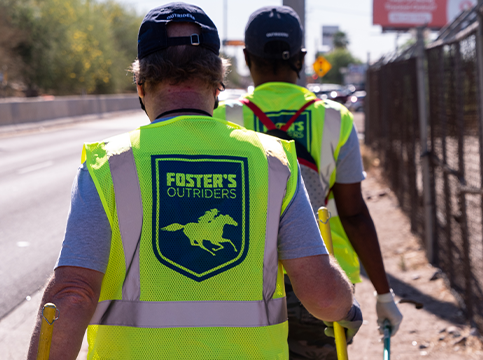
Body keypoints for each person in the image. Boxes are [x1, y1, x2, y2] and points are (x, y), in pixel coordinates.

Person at [27, 3, 362, 359]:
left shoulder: (108, 165)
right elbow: (322, 295)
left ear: (141, 85)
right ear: (219, 84)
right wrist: (347, 309)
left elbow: (72, 295)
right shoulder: (273, 163)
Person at [214, 5, 403, 359]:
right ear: (301, 58)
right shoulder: (334, 119)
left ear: (246, 57)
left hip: (248, 287)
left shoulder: (224, 118)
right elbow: (354, 213)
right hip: (324, 282)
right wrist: (383, 294)